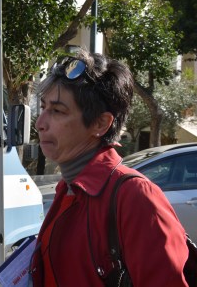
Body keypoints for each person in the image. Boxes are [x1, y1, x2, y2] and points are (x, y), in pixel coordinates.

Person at [29, 49, 188, 286]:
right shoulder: (68, 187)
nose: (40, 123)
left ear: (100, 123)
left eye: (58, 111)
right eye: (43, 108)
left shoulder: (136, 196)